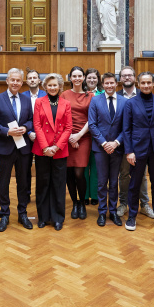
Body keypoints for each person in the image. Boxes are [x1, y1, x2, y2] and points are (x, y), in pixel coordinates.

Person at [123, 72, 154, 233]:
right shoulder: (130, 103)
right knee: (134, 184)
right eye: (143, 83)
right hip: (137, 150)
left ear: (153, 84)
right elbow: (126, 129)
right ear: (138, 84)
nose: (146, 85)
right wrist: (129, 151)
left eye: (149, 82)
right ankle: (132, 216)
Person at [0, 68, 34, 231]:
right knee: (4, 182)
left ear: (22, 83)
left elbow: (31, 120)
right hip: (5, 147)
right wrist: (7, 131)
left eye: (18, 80)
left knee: (23, 182)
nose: (15, 83)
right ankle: (4, 214)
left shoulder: (26, 99)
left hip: (23, 148)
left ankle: (22, 213)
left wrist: (25, 127)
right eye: (12, 80)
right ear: (7, 81)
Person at [32, 73, 72, 230]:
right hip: (42, 150)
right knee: (43, 184)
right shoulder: (39, 102)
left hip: (59, 150)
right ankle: (43, 217)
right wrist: (45, 147)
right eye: (50, 85)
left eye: (55, 85)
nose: (52, 87)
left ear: (60, 86)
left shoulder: (66, 103)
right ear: (45, 87)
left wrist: (56, 147)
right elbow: (37, 125)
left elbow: (68, 127)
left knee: (58, 184)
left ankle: (57, 218)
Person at [88, 72, 126, 227]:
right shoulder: (95, 100)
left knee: (114, 182)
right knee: (102, 182)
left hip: (117, 148)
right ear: (102, 85)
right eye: (106, 83)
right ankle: (102, 212)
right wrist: (104, 143)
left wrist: (116, 143)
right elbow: (92, 124)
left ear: (116, 84)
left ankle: (113, 211)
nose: (109, 86)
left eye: (112, 83)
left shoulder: (124, 102)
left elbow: (126, 126)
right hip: (100, 148)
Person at [117, 66, 154, 220]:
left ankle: (144, 204)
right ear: (120, 78)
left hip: (142, 143)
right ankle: (123, 203)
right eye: (124, 75)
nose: (127, 77)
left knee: (142, 175)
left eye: (130, 75)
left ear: (135, 78)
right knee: (124, 174)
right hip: (122, 142)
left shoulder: (144, 93)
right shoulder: (116, 95)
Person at [61, 66, 92, 220]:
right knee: (69, 173)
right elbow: (60, 117)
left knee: (79, 173)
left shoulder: (90, 95)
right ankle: (75, 203)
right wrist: (69, 137)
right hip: (66, 137)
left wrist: (78, 136)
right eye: (74, 76)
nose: (77, 78)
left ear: (84, 78)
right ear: (70, 78)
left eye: (80, 76)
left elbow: (92, 119)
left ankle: (82, 203)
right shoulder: (64, 95)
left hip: (84, 136)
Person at [22, 68, 47, 204]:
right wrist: (29, 132)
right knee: (25, 167)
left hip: (42, 137)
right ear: (26, 81)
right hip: (26, 136)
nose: (32, 80)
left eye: (34, 78)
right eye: (30, 78)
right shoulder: (21, 96)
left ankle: (41, 196)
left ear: (39, 80)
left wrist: (39, 134)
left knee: (41, 168)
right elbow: (19, 118)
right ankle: (26, 195)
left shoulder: (46, 95)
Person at [83, 68, 101, 205]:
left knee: (96, 166)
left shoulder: (103, 93)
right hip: (82, 135)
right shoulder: (81, 93)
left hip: (97, 135)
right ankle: (84, 195)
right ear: (85, 79)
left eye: (94, 77)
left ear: (98, 79)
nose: (92, 80)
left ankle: (95, 195)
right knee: (83, 165)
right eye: (89, 77)